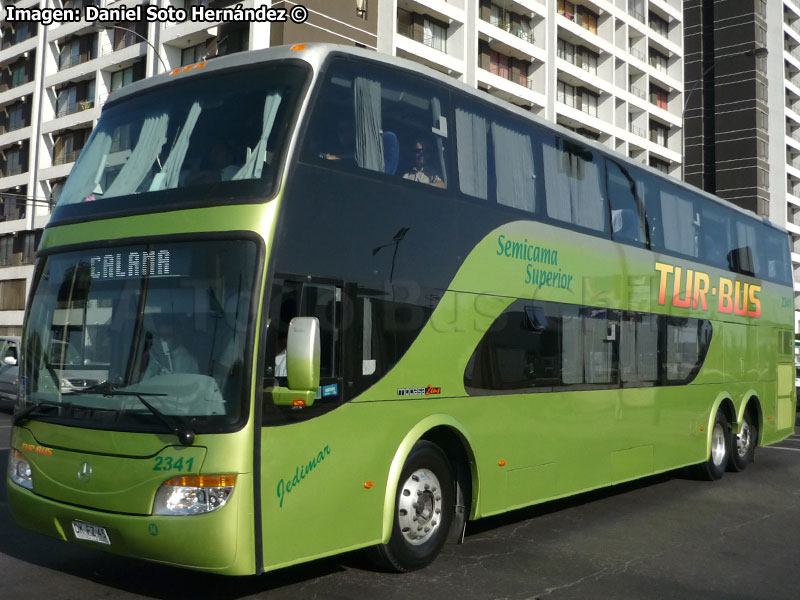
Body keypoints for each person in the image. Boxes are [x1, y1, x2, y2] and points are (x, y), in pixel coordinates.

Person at [141, 315, 198, 380]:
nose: (162, 339)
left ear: (177, 336)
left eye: (167, 336)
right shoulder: (153, 355)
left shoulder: (186, 360)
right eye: (160, 335)